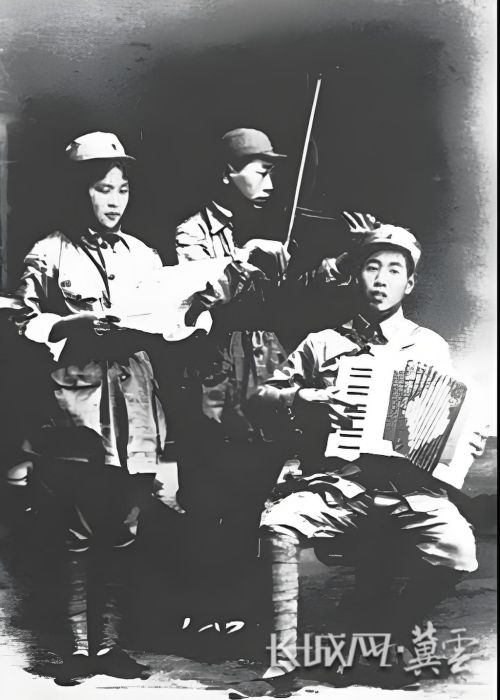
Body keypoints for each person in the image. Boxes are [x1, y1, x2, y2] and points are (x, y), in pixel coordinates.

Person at [249, 223, 486, 688]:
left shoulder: (429, 346)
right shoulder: (322, 342)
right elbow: (260, 397)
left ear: (409, 284)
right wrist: (307, 398)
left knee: (460, 552)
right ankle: (284, 662)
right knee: (278, 526)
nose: (380, 279)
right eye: (371, 267)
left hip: (408, 489)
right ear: (355, 275)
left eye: (394, 270)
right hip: (341, 485)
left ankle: (386, 633)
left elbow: (446, 416)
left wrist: (465, 443)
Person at [173, 128, 352, 645]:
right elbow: (197, 296)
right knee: (206, 496)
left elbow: (298, 293)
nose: (271, 183)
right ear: (226, 173)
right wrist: (248, 256)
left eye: (273, 172)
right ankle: (201, 608)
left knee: (252, 494)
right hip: (214, 372)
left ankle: (240, 607)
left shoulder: (269, 227)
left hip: (264, 368)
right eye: (261, 171)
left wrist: (343, 262)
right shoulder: (191, 231)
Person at [14, 131, 167, 684]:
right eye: (103, 188)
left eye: (122, 189)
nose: (115, 200)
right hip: (76, 407)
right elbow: (20, 322)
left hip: (135, 404)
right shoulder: (47, 253)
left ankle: (113, 646)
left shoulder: (144, 256)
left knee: (125, 527)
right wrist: (70, 326)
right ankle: (79, 649)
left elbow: (166, 321)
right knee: (75, 530)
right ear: (78, 190)